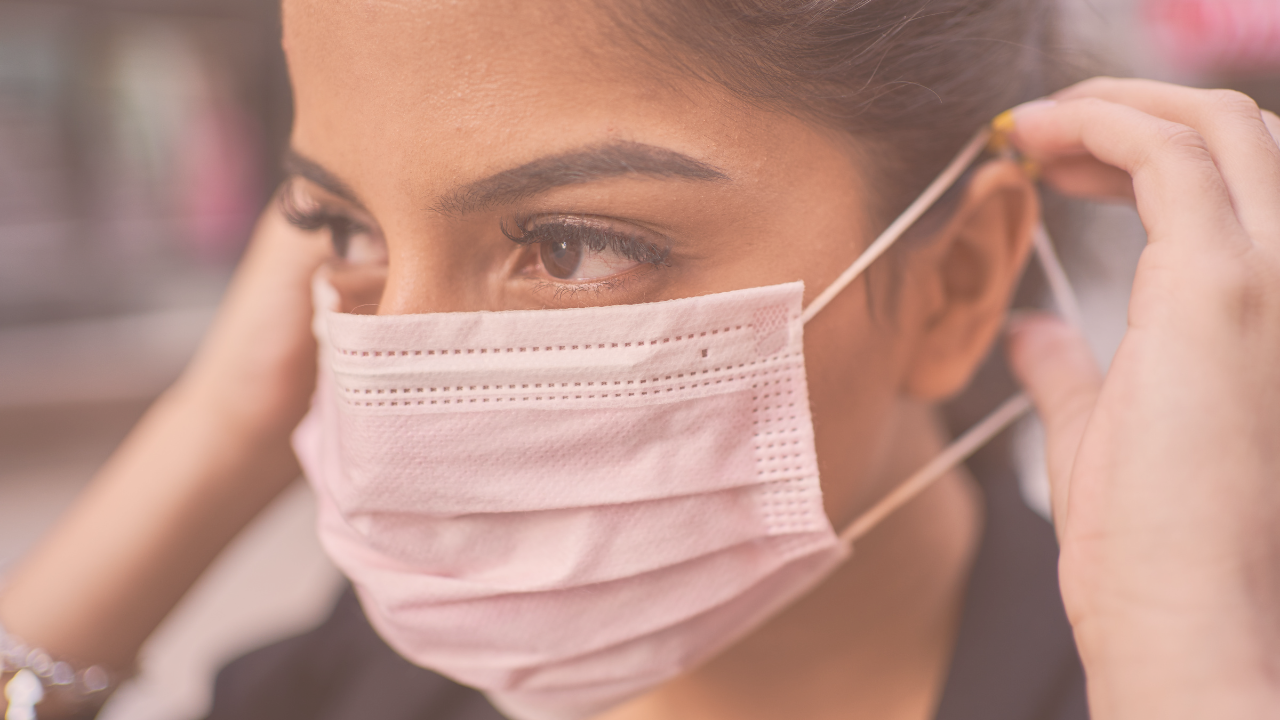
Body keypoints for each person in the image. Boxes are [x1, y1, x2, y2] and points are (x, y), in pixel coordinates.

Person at [2, 1, 1278, 719]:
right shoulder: (368, 687)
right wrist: (211, 435)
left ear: (953, 278)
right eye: (344, 227)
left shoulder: (1157, 686)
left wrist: (1184, 671)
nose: (396, 364)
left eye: (567, 247)